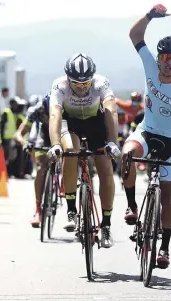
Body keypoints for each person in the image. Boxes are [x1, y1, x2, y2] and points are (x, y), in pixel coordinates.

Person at [121, 4, 171, 268]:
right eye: (164, 58)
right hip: (145, 131)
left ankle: (164, 248)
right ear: (158, 57)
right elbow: (134, 35)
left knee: (168, 195)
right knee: (127, 154)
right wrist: (150, 16)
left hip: (170, 141)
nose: (167, 64)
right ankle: (131, 206)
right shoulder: (150, 66)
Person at [47, 53, 120, 248]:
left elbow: (111, 110)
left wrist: (113, 142)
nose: (81, 87)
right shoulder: (59, 85)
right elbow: (54, 115)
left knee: (105, 167)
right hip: (70, 123)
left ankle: (106, 225)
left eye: (85, 83)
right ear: (68, 79)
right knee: (70, 150)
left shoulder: (101, 83)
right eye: (76, 84)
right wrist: (55, 145)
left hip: (95, 124)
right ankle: (71, 209)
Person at [14, 94, 51, 227]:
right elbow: (18, 133)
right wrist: (25, 143)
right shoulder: (37, 110)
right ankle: (38, 209)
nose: (49, 116)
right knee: (40, 168)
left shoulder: (65, 108)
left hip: (61, 132)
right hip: (44, 135)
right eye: (48, 113)